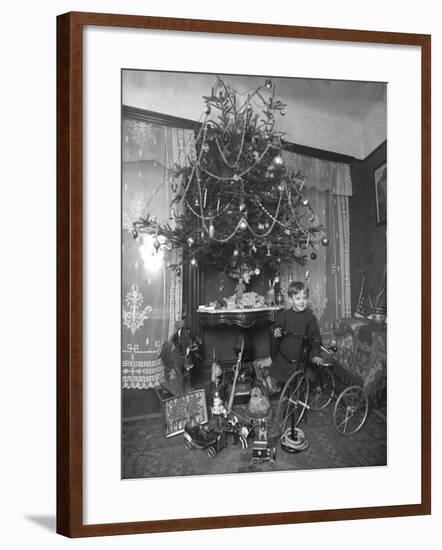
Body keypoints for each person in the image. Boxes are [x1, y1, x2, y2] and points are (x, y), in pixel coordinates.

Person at [269, 281, 322, 384]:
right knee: (279, 376)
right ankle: (284, 389)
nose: (302, 301)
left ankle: (296, 391)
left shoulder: (310, 317)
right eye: (298, 298)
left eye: (304, 298)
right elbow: (278, 325)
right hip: (285, 355)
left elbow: (315, 337)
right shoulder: (285, 315)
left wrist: (316, 354)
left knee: (301, 380)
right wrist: (277, 331)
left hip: (301, 357)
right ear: (290, 300)